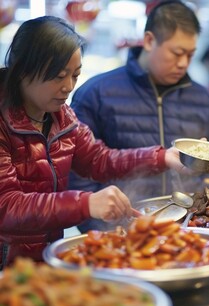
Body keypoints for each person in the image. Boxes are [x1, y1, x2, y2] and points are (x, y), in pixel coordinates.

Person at [0, 15, 191, 269]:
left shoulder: (62, 118)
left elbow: (99, 159)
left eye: (75, 75)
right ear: (23, 70)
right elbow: (7, 205)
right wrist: (86, 203)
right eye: (58, 76)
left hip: (44, 261)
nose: (68, 87)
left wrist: (161, 157)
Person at [68, 0, 209, 232]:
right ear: (149, 40)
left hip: (189, 230)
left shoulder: (202, 99)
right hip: (120, 231)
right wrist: (97, 229)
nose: (183, 63)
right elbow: (78, 174)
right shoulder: (97, 93)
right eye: (177, 53)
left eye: (190, 55)